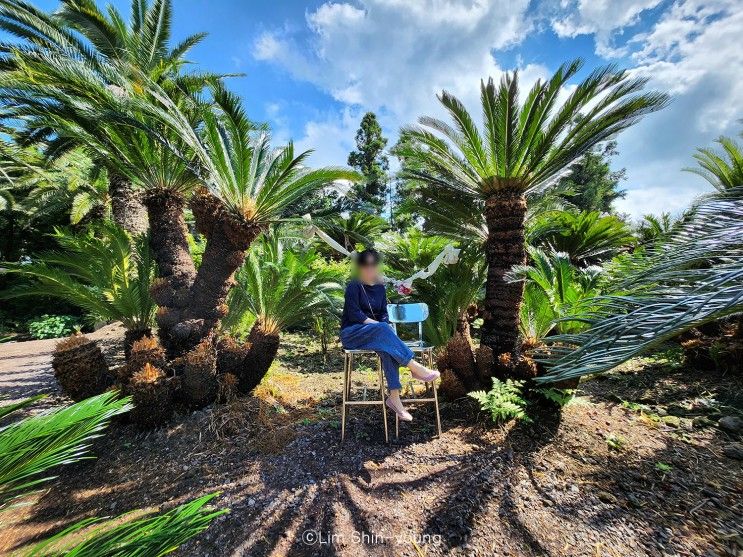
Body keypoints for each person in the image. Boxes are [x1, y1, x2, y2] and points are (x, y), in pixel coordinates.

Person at [340, 248, 440, 422]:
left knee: (387, 347)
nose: (369, 268)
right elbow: (354, 314)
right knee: (384, 331)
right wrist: (380, 326)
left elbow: (384, 314)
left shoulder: (379, 288)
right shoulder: (353, 286)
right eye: (365, 264)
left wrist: (383, 325)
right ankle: (415, 367)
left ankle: (394, 398)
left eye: (373, 264)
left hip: (375, 334)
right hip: (352, 334)